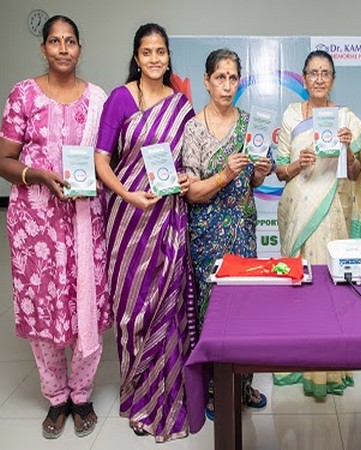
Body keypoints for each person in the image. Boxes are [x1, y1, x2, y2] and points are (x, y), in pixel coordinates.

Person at [0, 15, 111, 439]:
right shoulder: (23, 95)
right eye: (54, 41)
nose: (63, 49)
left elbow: (107, 159)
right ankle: (56, 397)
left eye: (70, 41)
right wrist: (41, 176)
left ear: (80, 48)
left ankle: (81, 395)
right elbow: (5, 160)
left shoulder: (98, 99)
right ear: (43, 49)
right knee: (46, 306)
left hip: (86, 219)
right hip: (37, 225)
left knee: (86, 303)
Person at [94, 23, 197, 442]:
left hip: (169, 218)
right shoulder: (121, 99)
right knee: (133, 311)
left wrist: (188, 178)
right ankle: (138, 395)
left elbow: (187, 161)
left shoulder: (181, 106)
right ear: (136, 58)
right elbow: (102, 160)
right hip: (129, 219)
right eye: (147, 52)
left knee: (167, 308)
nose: (155, 59)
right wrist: (128, 194)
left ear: (168, 57)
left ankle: (168, 397)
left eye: (161, 52)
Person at [274, 50, 361, 398]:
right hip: (298, 210)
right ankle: (301, 361)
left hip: (331, 214)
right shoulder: (291, 115)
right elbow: (280, 169)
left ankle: (330, 369)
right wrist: (297, 164)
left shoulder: (344, 117)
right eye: (313, 73)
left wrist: (348, 149)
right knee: (299, 288)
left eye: (325, 73)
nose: (319, 79)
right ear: (304, 78)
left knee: (330, 289)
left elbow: (358, 172)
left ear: (332, 79)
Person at [182, 48, 271, 420]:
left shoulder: (250, 123)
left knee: (246, 309)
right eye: (220, 77)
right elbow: (191, 191)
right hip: (207, 234)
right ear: (206, 81)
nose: (227, 85)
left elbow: (255, 180)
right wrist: (224, 174)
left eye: (233, 78)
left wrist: (260, 170)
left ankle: (244, 385)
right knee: (213, 311)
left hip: (242, 230)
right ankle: (216, 389)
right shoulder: (194, 128)